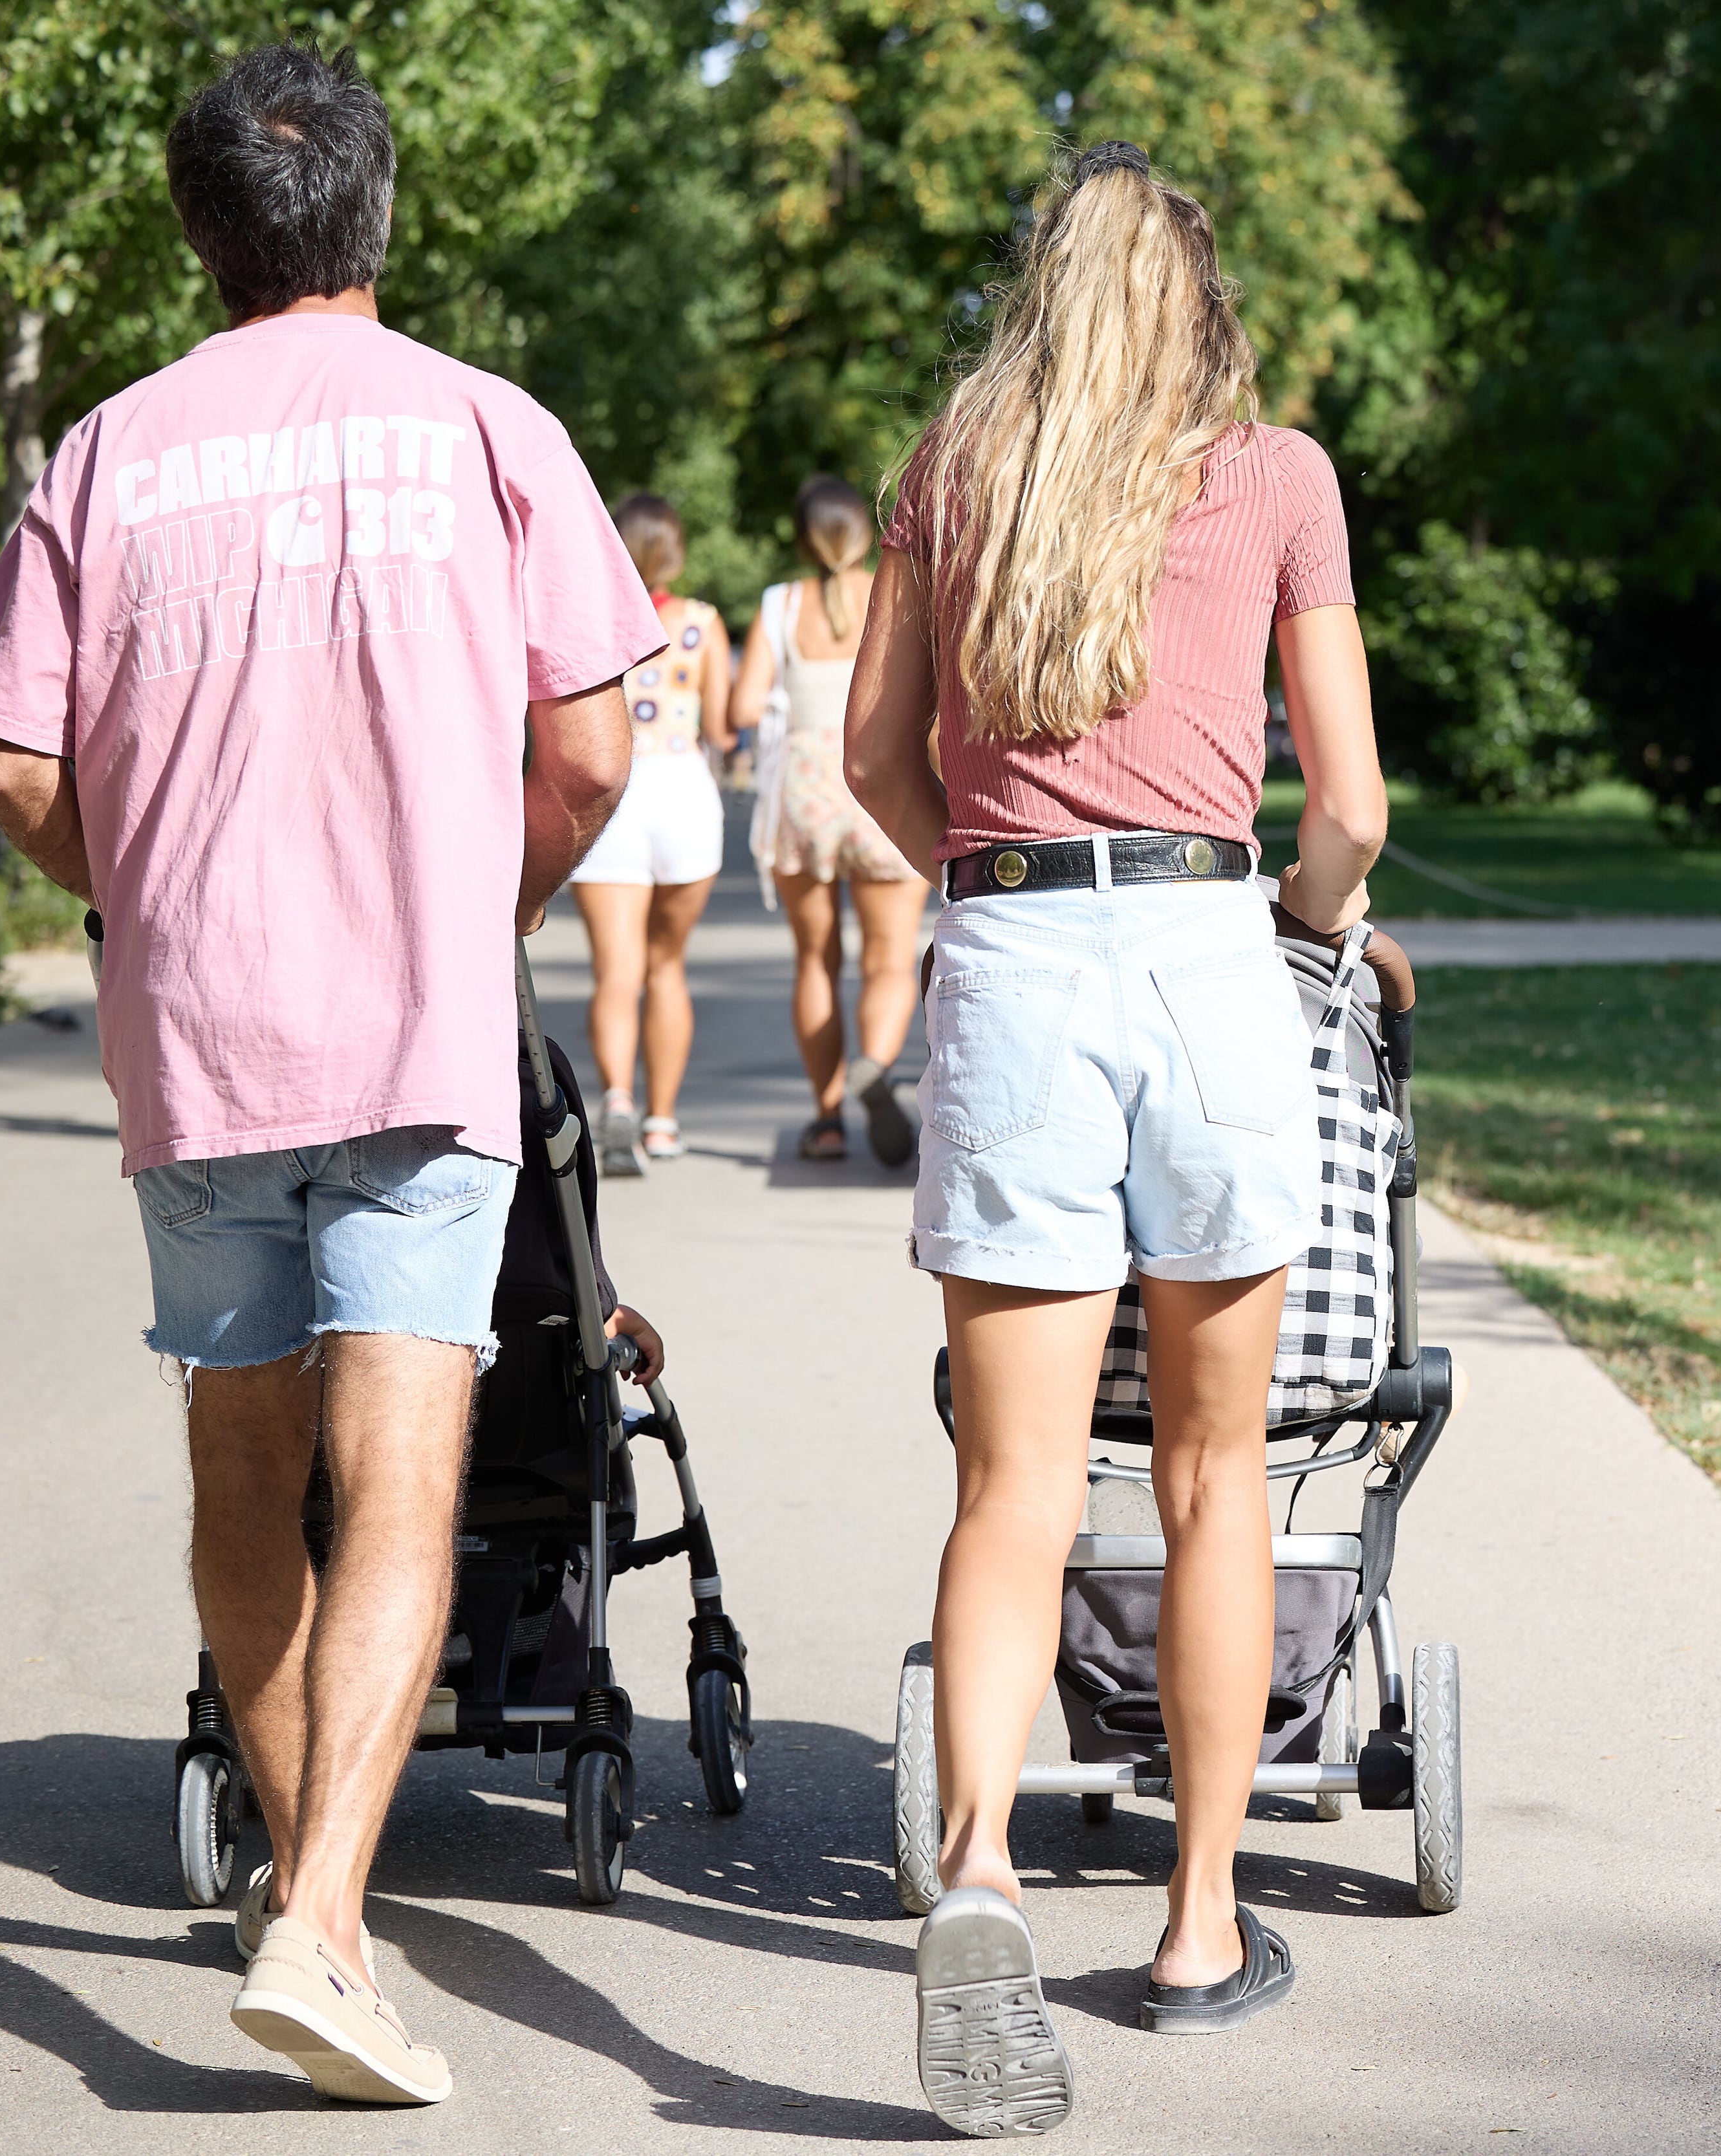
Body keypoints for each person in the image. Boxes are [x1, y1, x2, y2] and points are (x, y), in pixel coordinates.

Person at [0, 45, 654, 2107]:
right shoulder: (489, 429)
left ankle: (302, 1887)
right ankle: (329, 1918)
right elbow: (593, 748)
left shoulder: (104, 454)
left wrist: (130, 889)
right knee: (407, 1481)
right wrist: (475, 893)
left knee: (243, 1474)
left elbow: (3, 762)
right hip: (417, 1041)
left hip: (203, 1040)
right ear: (381, 212)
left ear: (198, 230)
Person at [844, 139, 1389, 2135]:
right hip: (1203, 947)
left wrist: (988, 889)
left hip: (1013, 957)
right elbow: (1346, 806)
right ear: (1199, 301)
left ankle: (978, 1867)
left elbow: (868, 760)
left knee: (1007, 1484)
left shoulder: (954, 466)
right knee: (1211, 1465)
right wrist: (1310, 938)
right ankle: (1194, 1921)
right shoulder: (1275, 476)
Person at [731, 475, 925, 1164]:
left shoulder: (781, 605)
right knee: (888, 960)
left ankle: (827, 1119)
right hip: (882, 784)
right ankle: (875, 1061)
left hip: (804, 790)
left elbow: (744, 708)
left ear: (803, 538)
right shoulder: (896, 592)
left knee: (814, 958)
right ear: (865, 534)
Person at [571, 494, 732, 1173]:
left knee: (617, 971)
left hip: (613, 794)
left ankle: (616, 1101)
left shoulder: (586, 617)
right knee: (667, 966)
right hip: (682, 793)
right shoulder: (700, 623)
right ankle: (663, 1122)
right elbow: (722, 726)